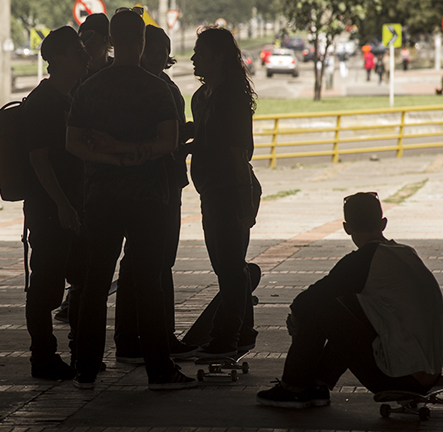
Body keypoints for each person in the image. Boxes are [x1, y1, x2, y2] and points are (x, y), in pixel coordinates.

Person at [66, 9, 196, 390]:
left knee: (94, 283)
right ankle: (159, 369)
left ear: (110, 41)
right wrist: (132, 153)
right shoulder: (156, 88)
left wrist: (110, 155)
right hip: (149, 198)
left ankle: (85, 367)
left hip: (101, 197)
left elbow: (72, 144)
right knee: (149, 284)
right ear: (140, 41)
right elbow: (169, 142)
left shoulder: (88, 88)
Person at [256, 192, 443, 408]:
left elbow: (305, 301)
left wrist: (297, 321)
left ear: (347, 227)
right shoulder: (406, 253)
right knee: (347, 301)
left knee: (319, 306)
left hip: (398, 374)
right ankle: (319, 384)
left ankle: (293, 387)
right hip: (430, 371)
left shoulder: (363, 260)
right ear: (383, 223)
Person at [112, 24, 198, 363]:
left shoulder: (161, 87)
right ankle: (149, 340)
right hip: (155, 185)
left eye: (163, 49)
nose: (159, 55)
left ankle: (148, 337)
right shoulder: (156, 89)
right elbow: (167, 139)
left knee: (151, 262)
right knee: (151, 263)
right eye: (152, 48)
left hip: (160, 182)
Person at [21, 26, 91, 380]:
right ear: (59, 59)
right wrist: (63, 205)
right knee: (46, 287)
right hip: (51, 211)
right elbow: (39, 159)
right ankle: (43, 357)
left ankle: (81, 351)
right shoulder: (43, 102)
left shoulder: (69, 97)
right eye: (78, 52)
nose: (85, 57)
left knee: (81, 278)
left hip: (72, 208)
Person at [188, 27, 262, 358]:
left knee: (230, 268)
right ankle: (242, 332)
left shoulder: (231, 98)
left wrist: (245, 204)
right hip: (210, 190)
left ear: (218, 57)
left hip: (232, 189)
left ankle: (225, 339)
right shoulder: (201, 98)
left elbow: (238, 154)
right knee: (226, 266)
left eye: (200, 52)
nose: (193, 58)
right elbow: (206, 141)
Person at [55, 13, 113, 324]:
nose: (86, 48)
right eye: (82, 41)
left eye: (92, 39)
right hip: (79, 175)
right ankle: (75, 299)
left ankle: (80, 300)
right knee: (82, 249)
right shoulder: (76, 80)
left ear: (108, 41)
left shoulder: (119, 76)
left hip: (106, 174)